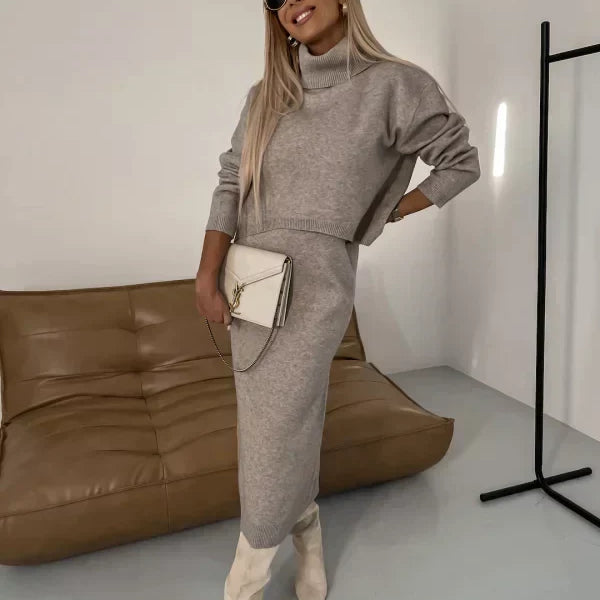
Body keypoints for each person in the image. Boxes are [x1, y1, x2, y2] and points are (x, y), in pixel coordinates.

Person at [196, 1, 481, 598]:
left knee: (279, 426)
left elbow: (460, 162)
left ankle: (247, 573)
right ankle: (308, 532)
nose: (291, 4)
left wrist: (380, 214)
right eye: (276, 0)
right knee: (273, 424)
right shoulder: (265, 96)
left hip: (318, 285)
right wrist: (207, 272)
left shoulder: (395, 85)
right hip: (250, 282)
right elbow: (230, 182)